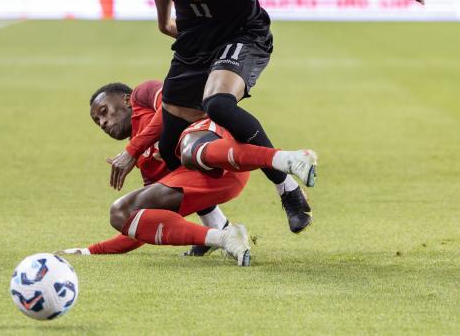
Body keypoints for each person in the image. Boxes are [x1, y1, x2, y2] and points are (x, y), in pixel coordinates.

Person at [107, 0, 445, 235]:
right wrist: (164, 21)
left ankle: (288, 189)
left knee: (219, 103)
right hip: (194, 44)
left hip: (244, 36)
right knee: (172, 150)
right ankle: (217, 228)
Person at [60, 81, 316, 265]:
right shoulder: (147, 166)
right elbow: (141, 228)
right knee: (120, 212)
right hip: (217, 183)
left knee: (187, 148)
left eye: (103, 112)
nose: (103, 122)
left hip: (218, 142)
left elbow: (173, 107)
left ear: (125, 100)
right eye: (97, 122)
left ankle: (287, 161)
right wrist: (90, 251)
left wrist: (133, 149)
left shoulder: (142, 95)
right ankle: (223, 237)